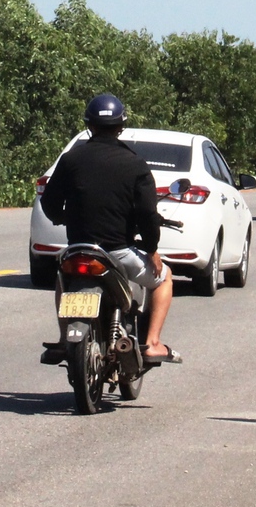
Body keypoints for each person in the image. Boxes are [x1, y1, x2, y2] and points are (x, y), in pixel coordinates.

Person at [39, 93, 180, 363]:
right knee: (164, 279)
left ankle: (62, 337)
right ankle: (151, 343)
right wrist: (152, 251)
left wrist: (67, 219)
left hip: (79, 250)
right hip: (120, 252)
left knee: (64, 281)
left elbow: (50, 203)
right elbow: (148, 214)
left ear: (89, 125)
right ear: (121, 126)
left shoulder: (71, 159)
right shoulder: (135, 164)